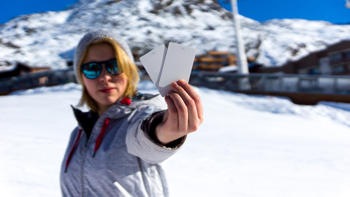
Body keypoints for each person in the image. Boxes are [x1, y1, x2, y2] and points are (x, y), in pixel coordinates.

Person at [59, 31, 203, 197]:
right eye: (92, 69)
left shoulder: (137, 117)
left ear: (128, 70)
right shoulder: (78, 133)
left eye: (115, 67)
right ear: (82, 77)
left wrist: (166, 129)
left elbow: (146, 136)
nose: (105, 77)